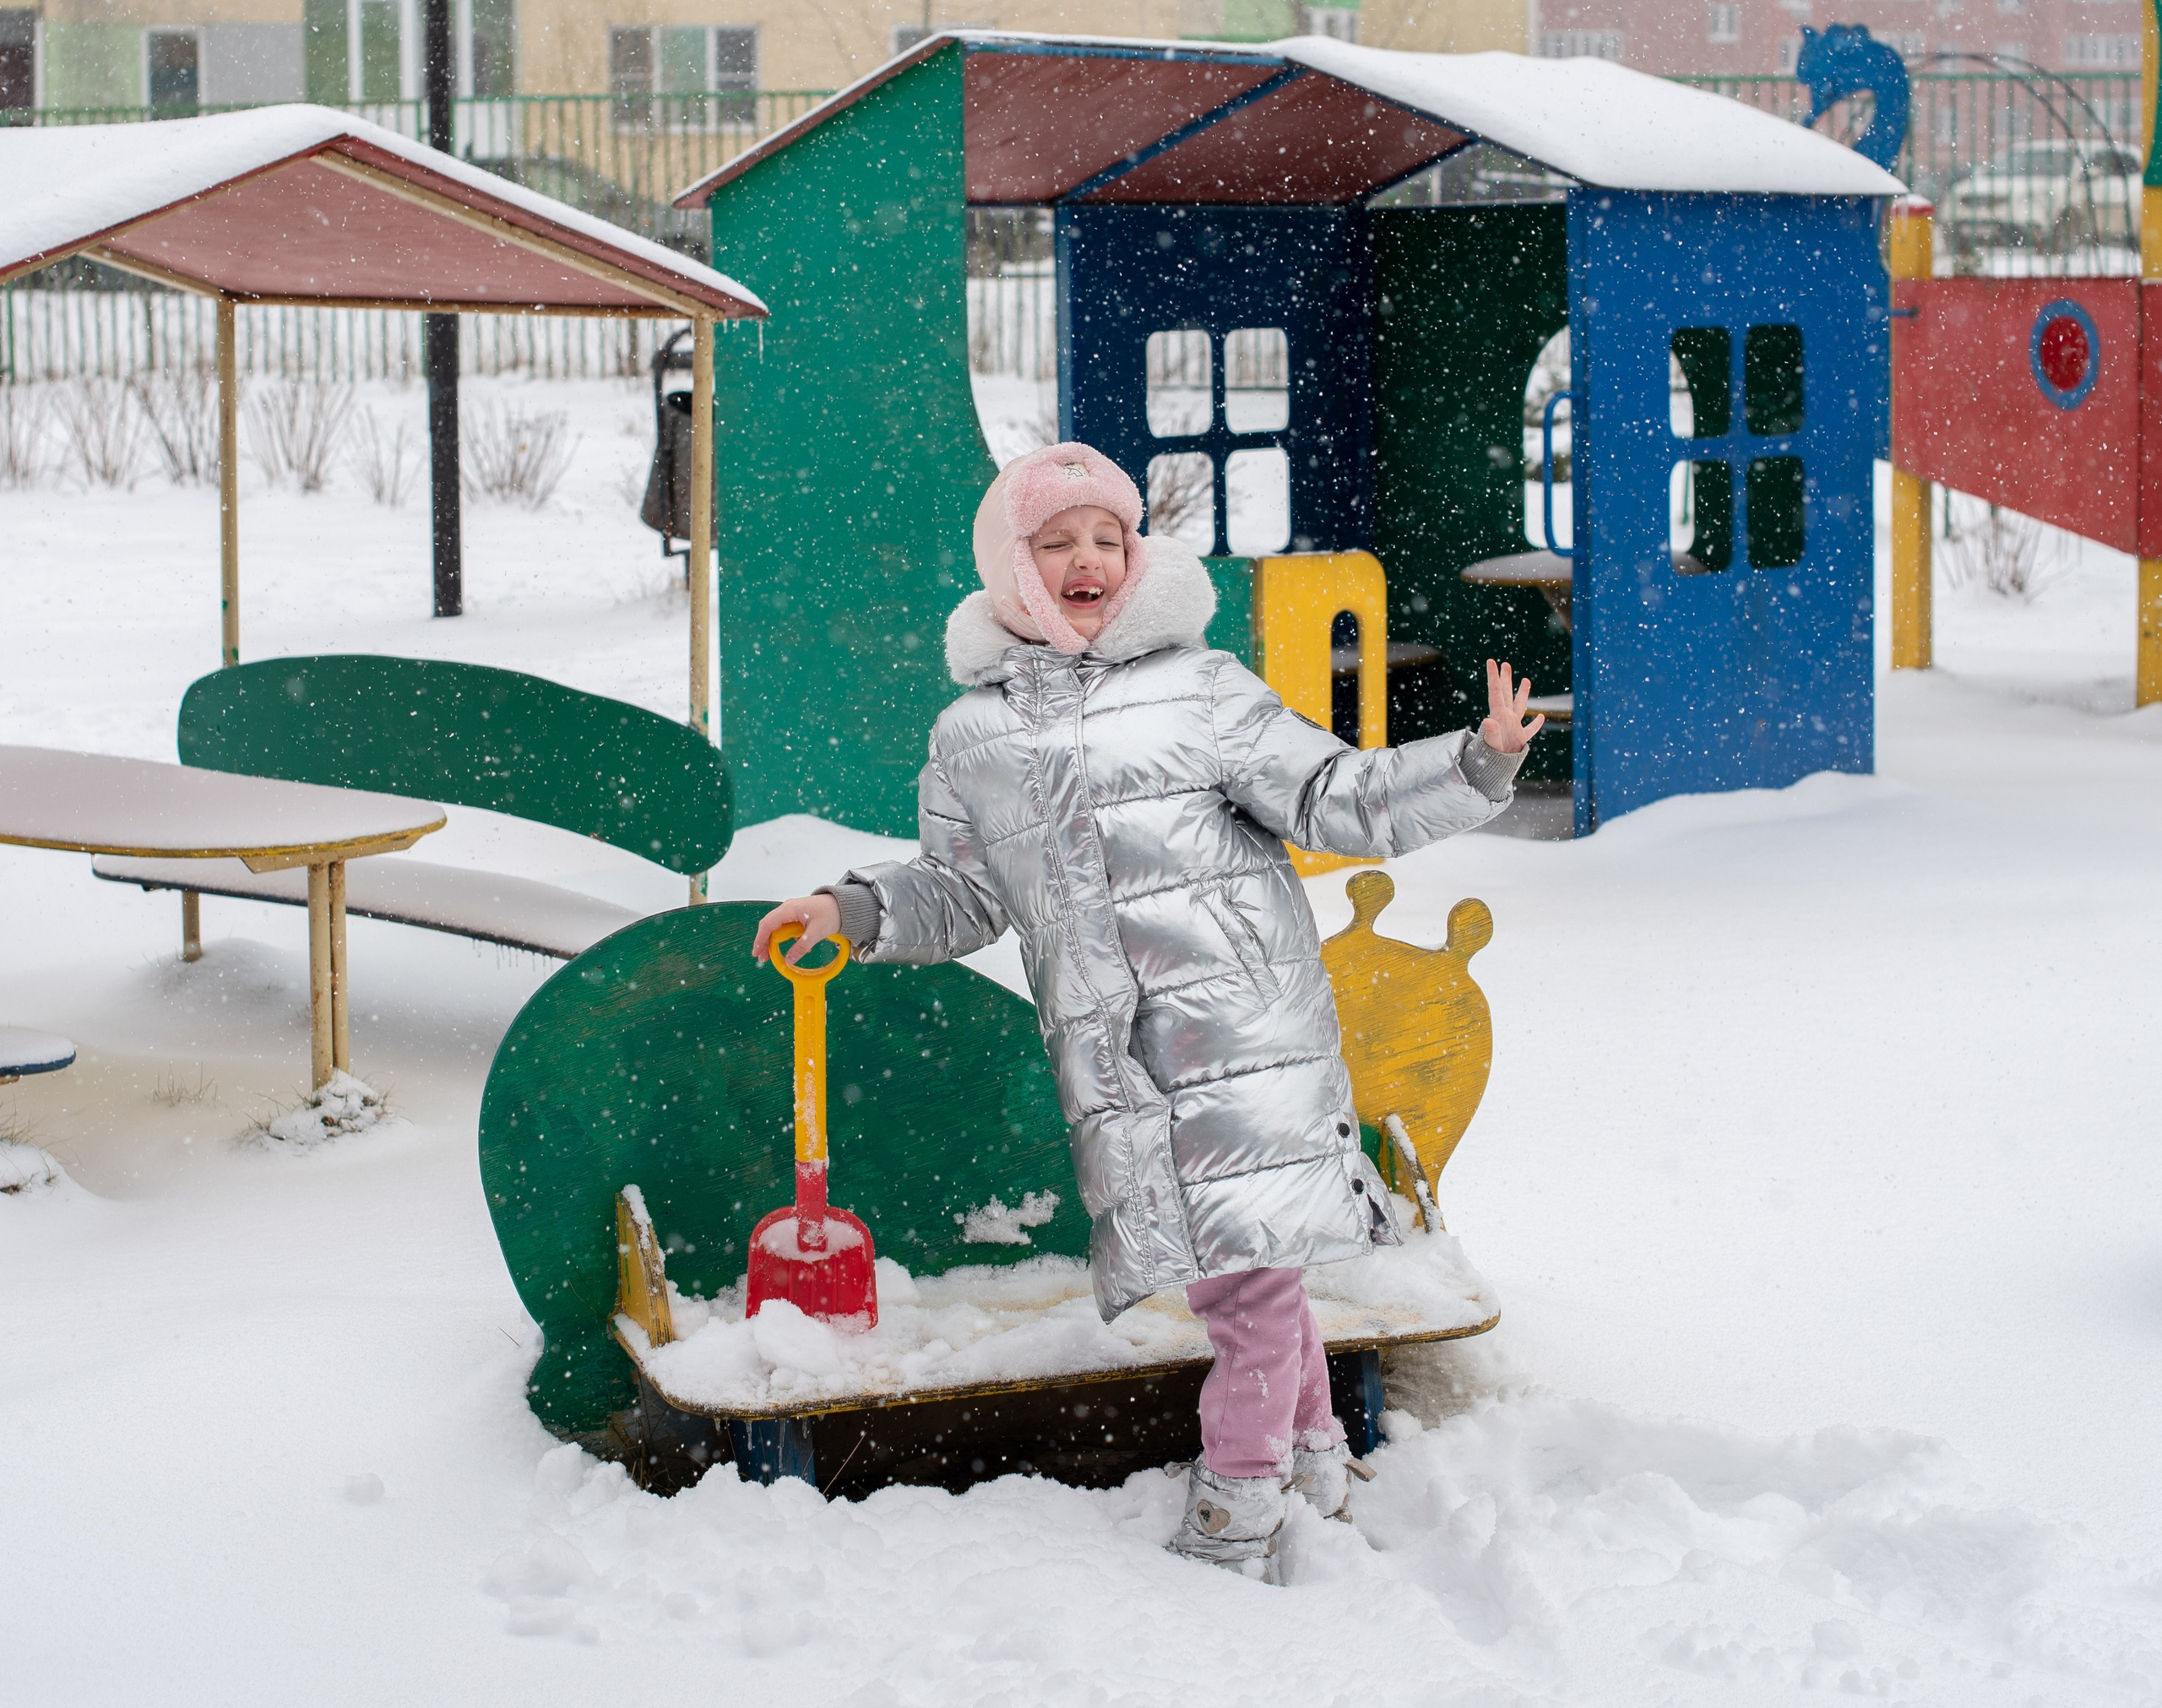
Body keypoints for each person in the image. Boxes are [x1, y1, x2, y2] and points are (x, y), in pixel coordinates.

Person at [752, 442, 1543, 1580]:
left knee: (1242, 1289)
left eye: (1107, 537)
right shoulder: (970, 736)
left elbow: (1329, 794)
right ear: (1010, 566)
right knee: (1256, 1276)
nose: (1088, 559)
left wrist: (1472, 762)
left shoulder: (1203, 687)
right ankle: (1315, 1452)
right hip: (1121, 1058)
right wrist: (856, 909)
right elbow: (967, 892)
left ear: (1137, 552)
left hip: (1248, 1036)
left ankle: (1236, 1506)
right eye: (1057, 540)